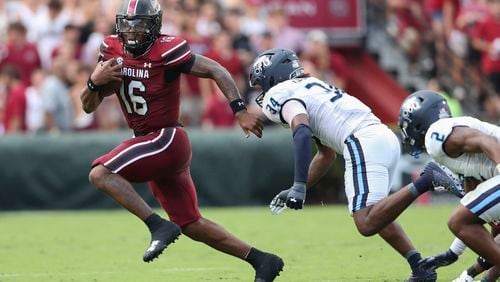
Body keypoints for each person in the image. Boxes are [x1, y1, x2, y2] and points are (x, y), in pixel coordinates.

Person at [79, 1, 283, 281]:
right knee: (190, 223)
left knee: (100, 174)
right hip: (151, 143)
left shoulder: (168, 48)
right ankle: (262, 260)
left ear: (154, 25)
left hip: (166, 137)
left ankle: (157, 225)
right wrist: (93, 81)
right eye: (127, 25)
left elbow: (216, 69)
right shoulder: (111, 48)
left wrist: (240, 110)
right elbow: (88, 106)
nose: (133, 32)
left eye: (140, 25)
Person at [248, 48, 461, 281]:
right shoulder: (311, 86)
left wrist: (299, 185)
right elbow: (325, 155)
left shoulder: (279, 93)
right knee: (378, 213)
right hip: (382, 136)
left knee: (366, 221)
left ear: (272, 76)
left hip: (360, 140)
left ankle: (426, 179)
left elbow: (301, 131)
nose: (262, 92)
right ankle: (420, 267)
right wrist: (298, 186)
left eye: (261, 84)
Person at [398, 90, 500, 270]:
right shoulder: (451, 143)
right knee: (491, 227)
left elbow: (487, 141)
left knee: (457, 221)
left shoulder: (434, 135)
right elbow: (472, 210)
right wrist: (452, 253)